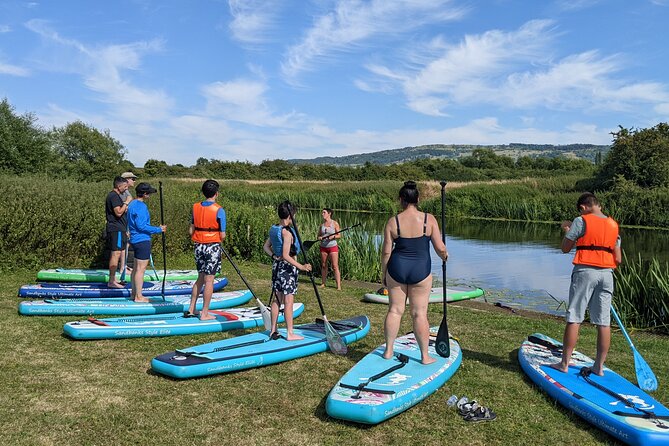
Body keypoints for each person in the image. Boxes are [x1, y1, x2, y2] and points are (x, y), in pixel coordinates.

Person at [549, 192, 622, 376]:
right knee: (603, 322)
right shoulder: (614, 225)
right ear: (598, 205)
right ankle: (599, 367)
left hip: (585, 272)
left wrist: (568, 232)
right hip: (607, 274)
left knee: (575, 316)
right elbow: (618, 259)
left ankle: (564, 363)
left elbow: (565, 248)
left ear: (583, 207)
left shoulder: (581, 221)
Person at [381, 181, 448, 365]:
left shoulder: (393, 222)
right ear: (418, 199)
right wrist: (445, 255)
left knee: (395, 310)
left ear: (401, 200)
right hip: (421, 269)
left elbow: (386, 252)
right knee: (419, 313)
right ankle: (425, 356)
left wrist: (384, 273)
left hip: (397, 268)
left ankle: (388, 350)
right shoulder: (429, 219)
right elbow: (440, 248)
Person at [263, 201, 312, 341]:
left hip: (276, 267)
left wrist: (273, 256)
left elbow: (266, 246)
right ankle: (290, 333)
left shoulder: (274, 229)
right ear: (290, 216)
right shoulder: (287, 233)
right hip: (287, 269)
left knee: (277, 298)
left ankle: (273, 330)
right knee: (288, 301)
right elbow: (286, 255)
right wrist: (301, 266)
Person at [188, 180, 226, 320]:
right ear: (216, 193)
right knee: (209, 280)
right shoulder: (219, 210)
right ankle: (204, 313)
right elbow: (222, 235)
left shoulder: (195, 207)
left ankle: (191, 308)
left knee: (200, 277)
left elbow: (191, 229)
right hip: (212, 246)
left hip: (199, 245)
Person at [127, 183, 166, 302]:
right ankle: (139, 296)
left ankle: (134, 294)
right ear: (144, 194)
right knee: (141, 269)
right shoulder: (141, 206)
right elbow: (141, 226)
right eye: (148, 192)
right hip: (142, 240)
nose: (149, 195)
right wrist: (159, 229)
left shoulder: (132, 203)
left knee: (136, 268)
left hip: (134, 239)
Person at [105, 176, 132, 288]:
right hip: (116, 229)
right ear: (118, 186)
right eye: (125, 187)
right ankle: (111, 281)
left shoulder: (116, 196)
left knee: (119, 252)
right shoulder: (113, 196)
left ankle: (114, 279)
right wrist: (126, 202)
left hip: (120, 229)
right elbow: (118, 213)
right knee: (115, 253)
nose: (126, 189)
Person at [317, 208, 342, 290]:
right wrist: (320, 238)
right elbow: (318, 235)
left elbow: (339, 235)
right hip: (323, 247)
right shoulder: (321, 225)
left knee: (335, 266)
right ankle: (323, 283)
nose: (322, 214)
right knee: (324, 265)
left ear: (329, 213)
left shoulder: (334, 223)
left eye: (324, 212)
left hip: (332, 247)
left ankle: (338, 286)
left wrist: (333, 236)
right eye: (322, 212)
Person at [119, 172, 137, 276]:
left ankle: (124, 266)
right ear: (126, 180)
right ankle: (122, 268)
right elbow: (122, 207)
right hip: (124, 221)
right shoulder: (124, 192)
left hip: (127, 220)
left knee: (126, 243)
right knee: (125, 243)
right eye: (132, 179)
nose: (134, 181)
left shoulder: (127, 192)